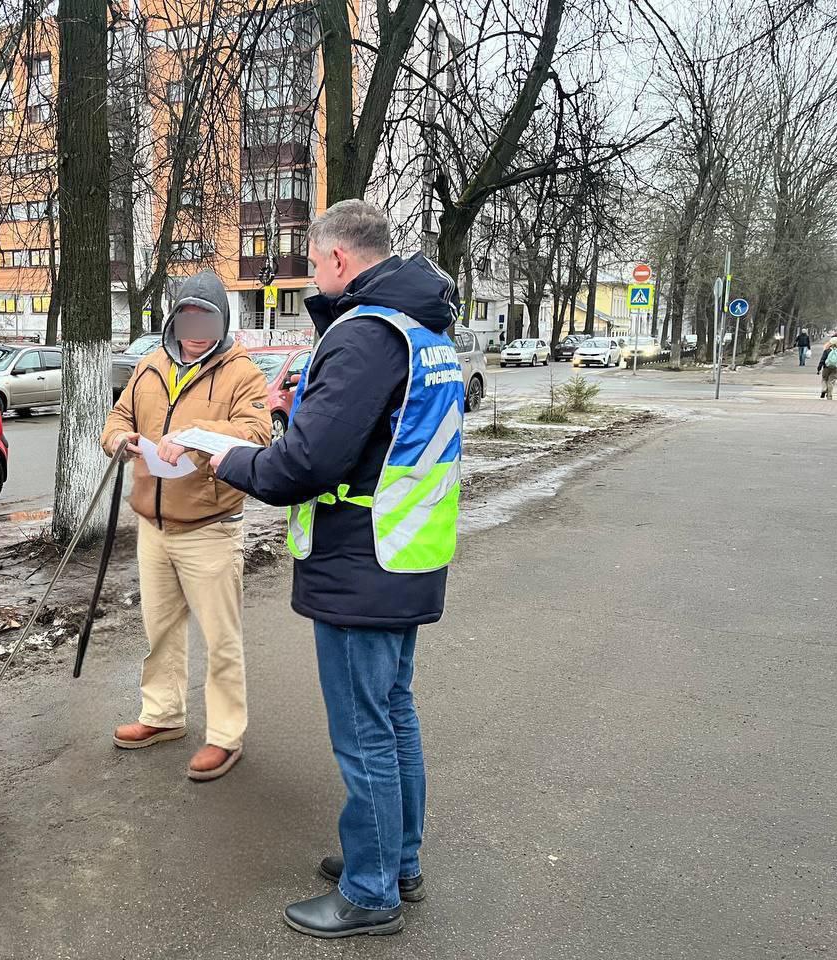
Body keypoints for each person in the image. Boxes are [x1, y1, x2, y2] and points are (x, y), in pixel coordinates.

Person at [211, 200, 464, 939]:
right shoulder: (422, 328)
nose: (314, 278)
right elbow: (381, 436)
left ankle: (371, 891)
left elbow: (308, 465)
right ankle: (397, 860)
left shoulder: (365, 334)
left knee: (365, 734)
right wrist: (304, 408)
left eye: (315, 264)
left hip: (362, 558)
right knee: (393, 715)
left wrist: (226, 457)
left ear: (338, 260)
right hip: (405, 551)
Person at [101, 270, 270, 781]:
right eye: (188, 316)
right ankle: (163, 716)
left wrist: (196, 433)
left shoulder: (242, 373)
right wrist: (120, 442)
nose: (196, 329)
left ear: (221, 320)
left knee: (221, 639)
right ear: (175, 316)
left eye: (208, 318)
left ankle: (224, 736)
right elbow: (117, 418)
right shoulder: (149, 366)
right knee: (161, 630)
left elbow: (256, 431)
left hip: (210, 526)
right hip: (153, 525)